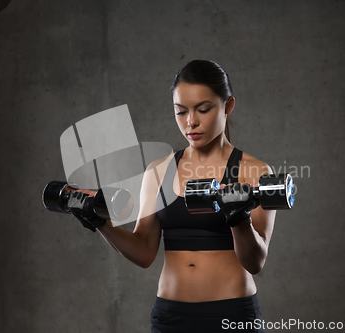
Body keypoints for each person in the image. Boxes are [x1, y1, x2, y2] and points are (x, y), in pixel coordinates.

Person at [69, 60, 276, 332]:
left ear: (228, 106)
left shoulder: (255, 171)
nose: (191, 122)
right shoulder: (159, 171)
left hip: (232, 315)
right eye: (181, 112)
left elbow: (255, 262)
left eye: (203, 109)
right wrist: (100, 223)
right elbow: (144, 251)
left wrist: (238, 218)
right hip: (171, 317)